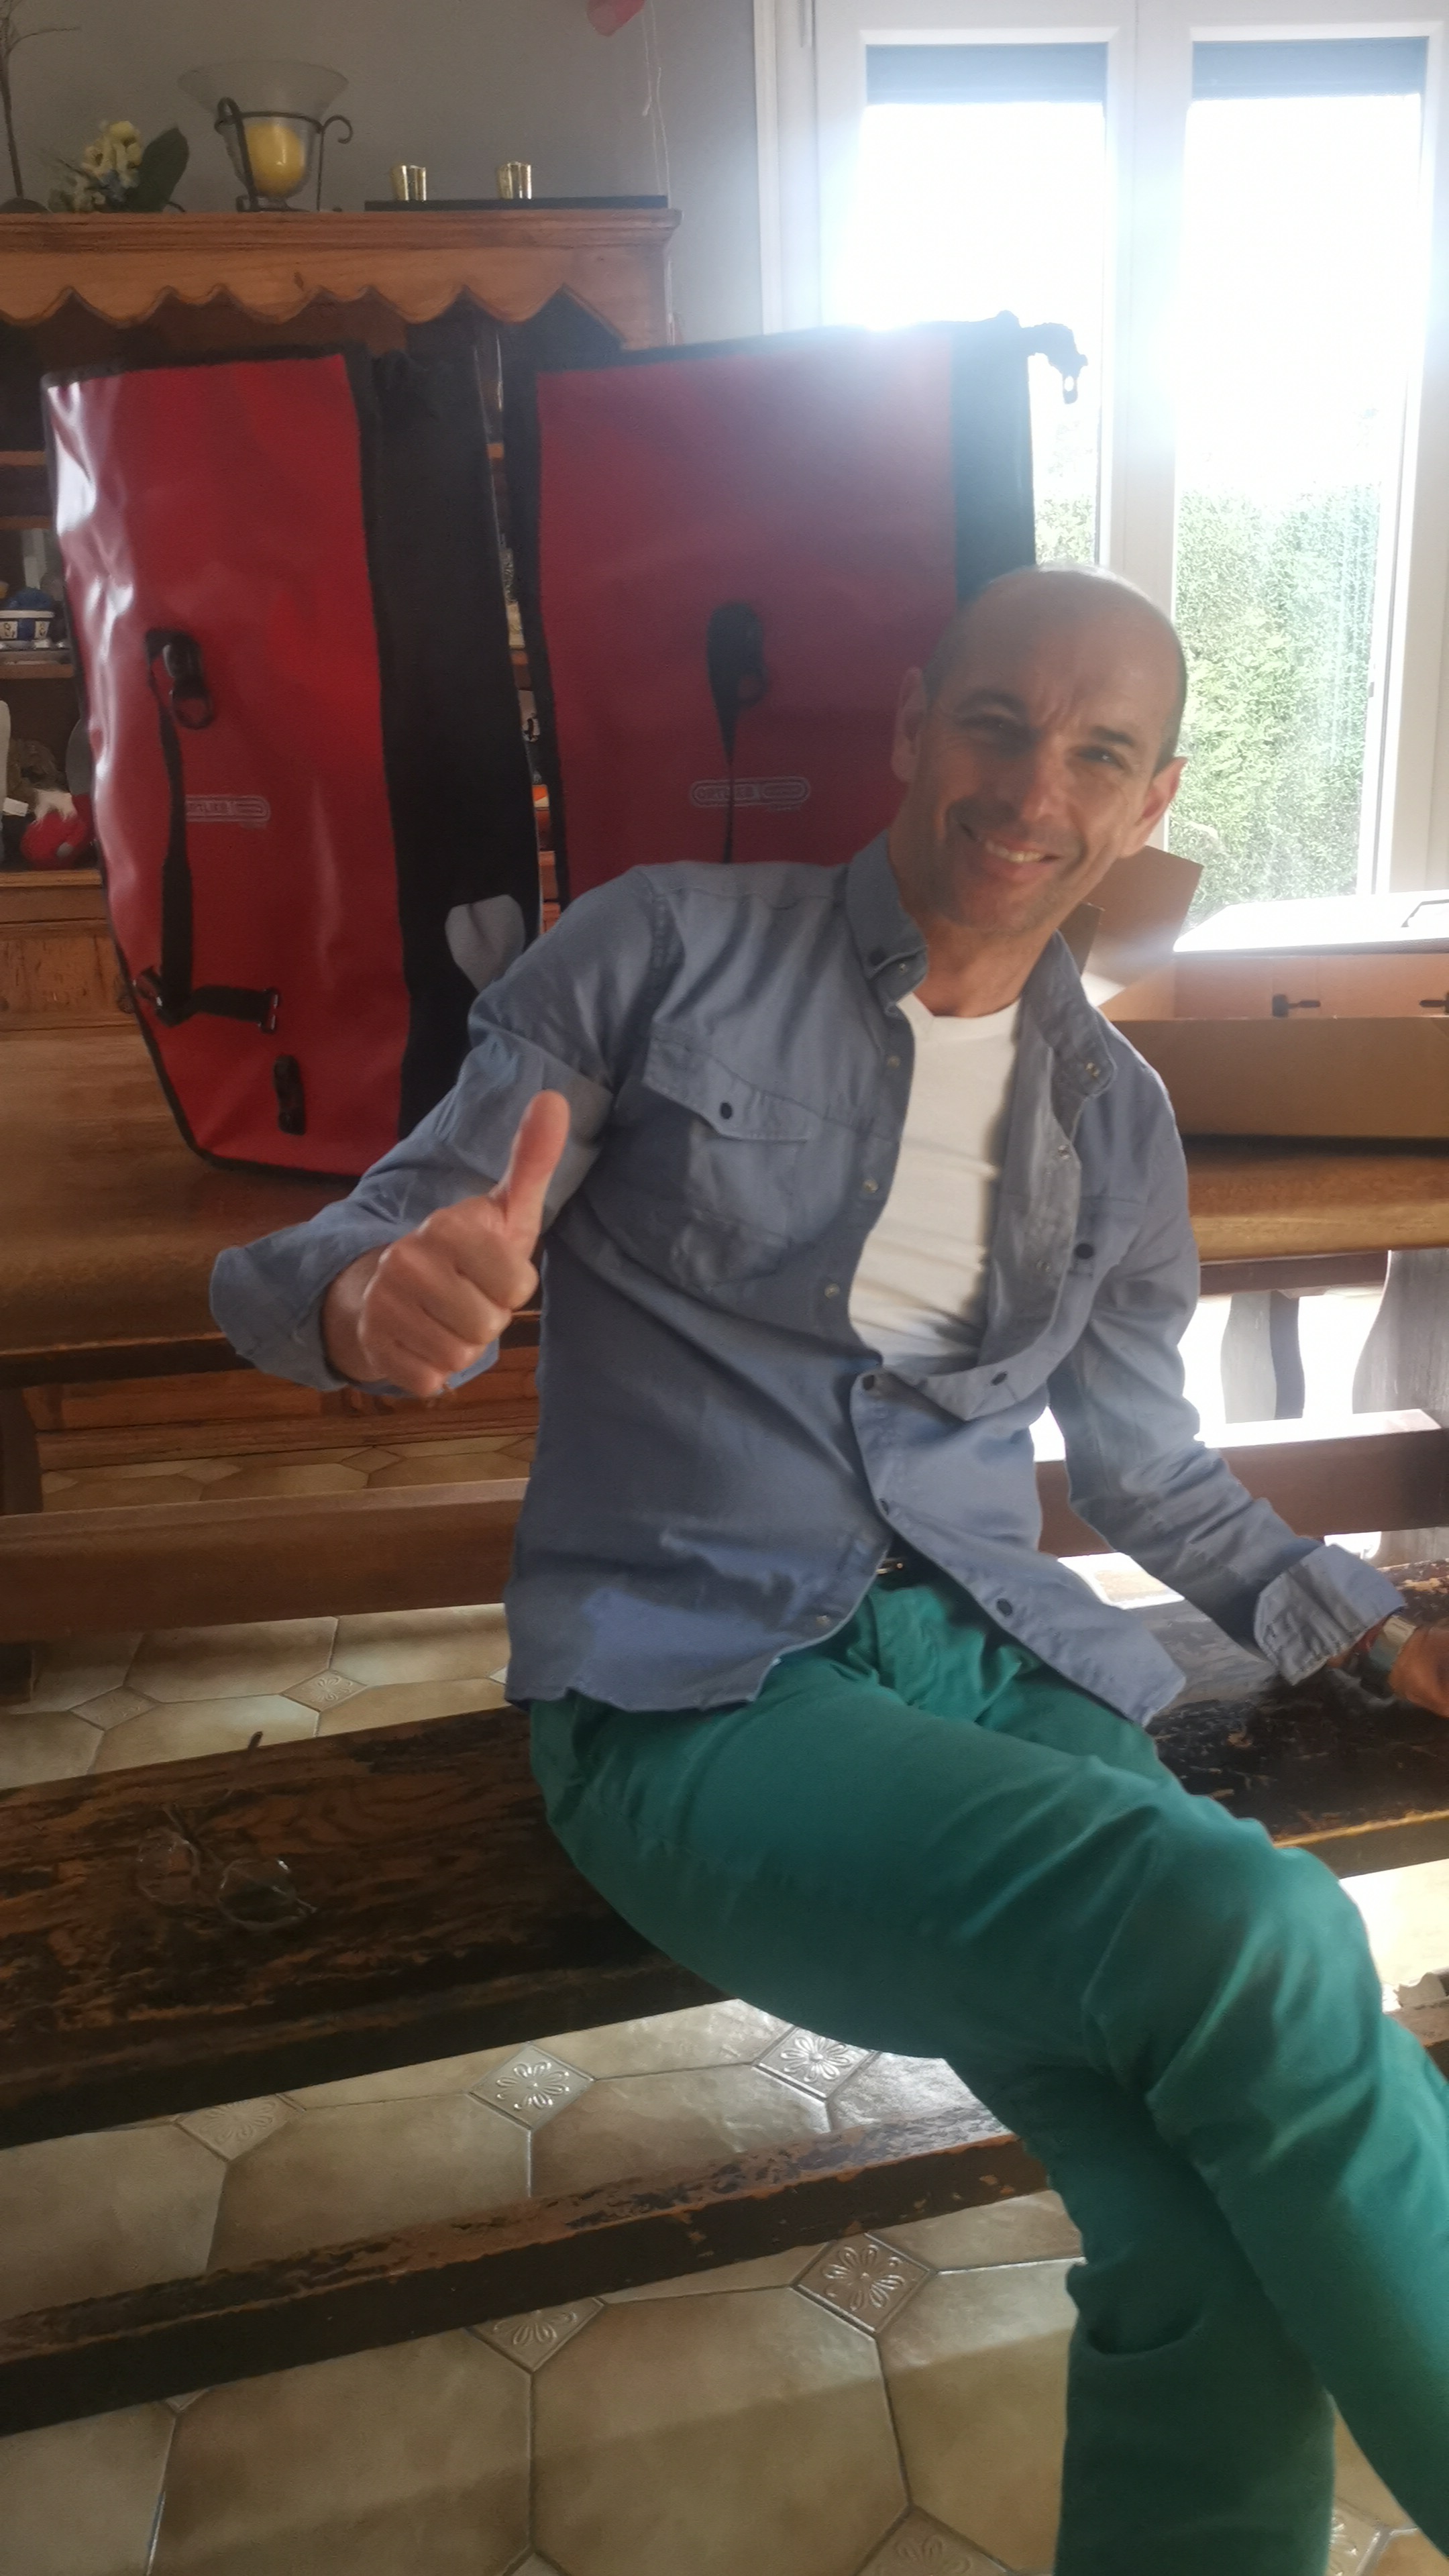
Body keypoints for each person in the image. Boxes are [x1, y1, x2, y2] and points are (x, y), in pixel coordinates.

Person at [213, 564, 1449, 2575]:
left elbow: (1148, 1469)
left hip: (997, 1674)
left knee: (1204, 2234)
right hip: (692, 1697)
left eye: (1099, 755)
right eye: (997, 724)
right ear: (908, 725)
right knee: (1267, 1932)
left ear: (1152, 803)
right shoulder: (664, 951)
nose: (1033, 790)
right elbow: (364, 1237)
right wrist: (374, 1302)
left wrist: (1379, 1631)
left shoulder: (1118, 1121)